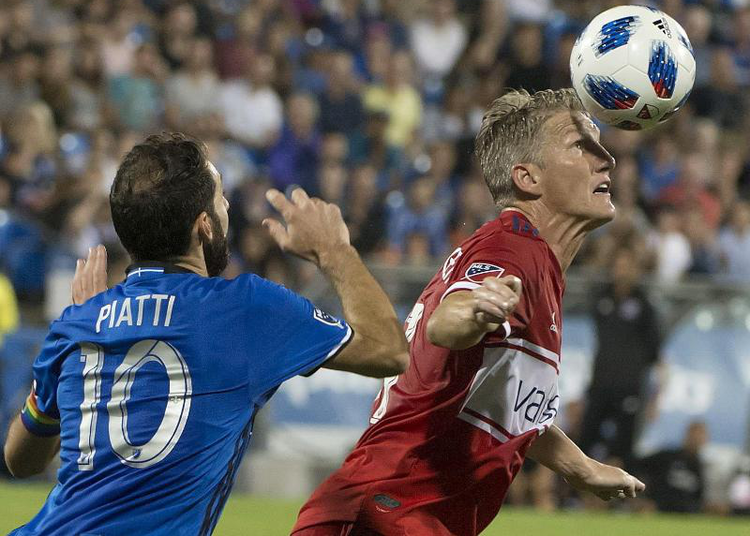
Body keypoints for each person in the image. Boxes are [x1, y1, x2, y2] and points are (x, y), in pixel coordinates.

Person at [3, 133, 409, 536]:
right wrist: (334, 251)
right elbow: (389, 351)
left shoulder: (78, 323)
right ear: (204, 227)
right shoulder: (246, 308)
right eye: (220, 199)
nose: (227, 206)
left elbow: (20, 461)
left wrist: (74, 352)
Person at [292, 89, 645, 536]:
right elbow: (447, 320)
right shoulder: (513, 250)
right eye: (581, 145)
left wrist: (580, 468)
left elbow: (512, 408)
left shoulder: (536, 265)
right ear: (528, 178)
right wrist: (475, 309)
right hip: (385, 513)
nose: (607, 159)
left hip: (397, 512)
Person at [578, 244, 662, 471]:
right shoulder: (602, 298)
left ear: (636, 270)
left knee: (623, 448)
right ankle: (574, 495)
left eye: (627, 266)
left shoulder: (645, 306)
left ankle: (620, 499)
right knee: (585, 440)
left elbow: (657, 356)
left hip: (629, 387)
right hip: (600, 383)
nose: (622, 271)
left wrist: (655, 399)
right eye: (618, 265)